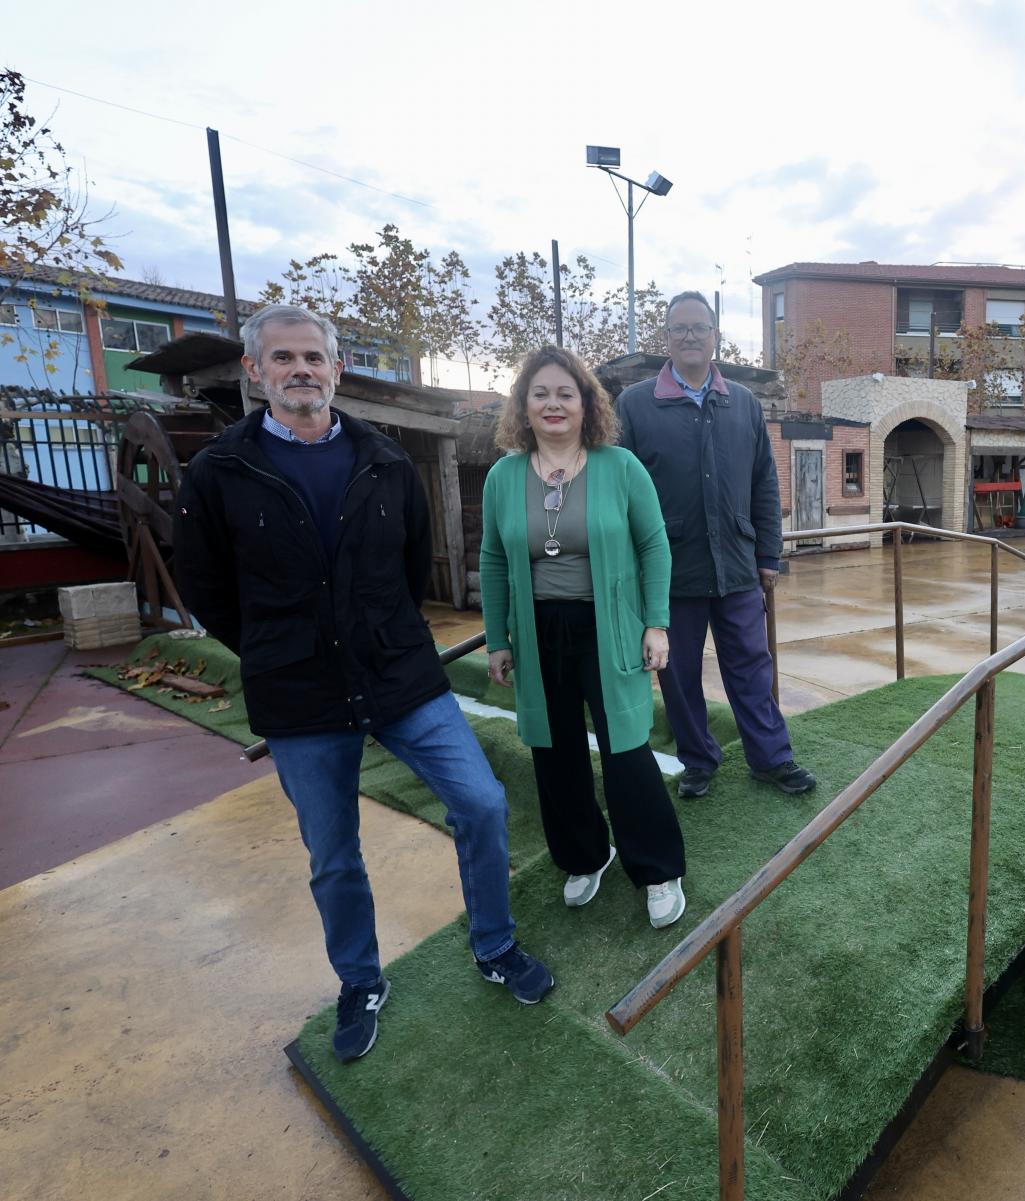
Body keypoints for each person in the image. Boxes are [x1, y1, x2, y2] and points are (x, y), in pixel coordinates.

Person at [174, 304, 553, 1065]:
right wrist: (273, 648)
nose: (300, 370)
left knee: (480, 802)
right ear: (256, 371)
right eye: (282, 358)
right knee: (334, 853)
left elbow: (413, 564)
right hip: (300, 697)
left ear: (336, 367)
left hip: (400, 678)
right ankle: (360, 980)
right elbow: (204, 585)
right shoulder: (218, 472)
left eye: (313, 356)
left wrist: (380, 632)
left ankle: (494, 943)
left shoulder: (383, 459)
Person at [479, 346, 687, 929]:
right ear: (523, 405)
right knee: (554, 750)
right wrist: (498, 637)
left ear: (586, 404)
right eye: (540, 393)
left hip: (610, 626)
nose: (552, 404)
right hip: (538, 628)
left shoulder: (620, 467)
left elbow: (654, 545)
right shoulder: (503, 476)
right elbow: (494, 559)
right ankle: (584, 855)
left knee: (625, 750)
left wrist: (656, 621)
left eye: (565, 394)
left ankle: (658, 868)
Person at [616, 291, 817, 800]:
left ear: (714, 336)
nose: (689, 336)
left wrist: (768, 553)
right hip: (671, 570)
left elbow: (764, 483)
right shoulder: (637, 405)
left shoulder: (743, 403)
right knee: (679, 675)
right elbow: (618, 494)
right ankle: (699, 761)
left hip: (737, 564)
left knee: (751, 665)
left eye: (698, 328)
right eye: (679, 328)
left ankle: (771, 759)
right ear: (667, 337)